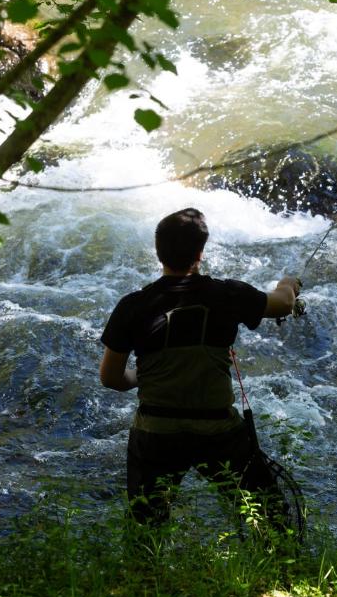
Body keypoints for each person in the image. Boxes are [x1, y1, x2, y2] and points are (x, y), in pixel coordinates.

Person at [99, 207, 301, 526]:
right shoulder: (228, 294)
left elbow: (110, 378)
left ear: (158, 252)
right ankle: (279, 568)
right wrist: (288, 282)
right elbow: (284, 303)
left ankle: (144, 573)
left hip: (155, 431)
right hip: (218, 430)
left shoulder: (134, 305)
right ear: (200, 253)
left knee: (145, 528)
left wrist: (140, 375)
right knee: (271, 516)